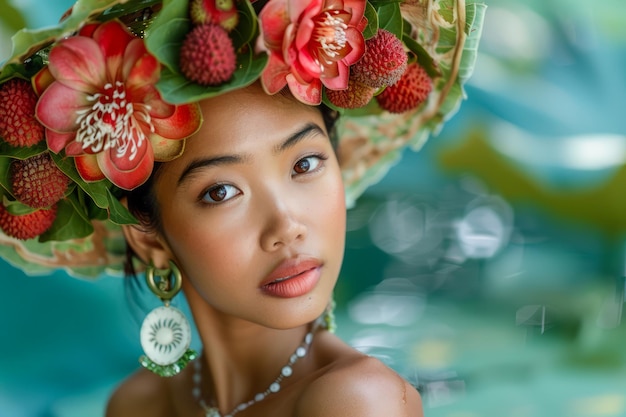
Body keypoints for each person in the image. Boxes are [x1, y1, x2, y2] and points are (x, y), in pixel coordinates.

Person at [0, 0, 485, 416]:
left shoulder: (354, 400)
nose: (286, 226)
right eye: (222, 192)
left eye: (306, 163)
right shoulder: (138, 405)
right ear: (149, 238)